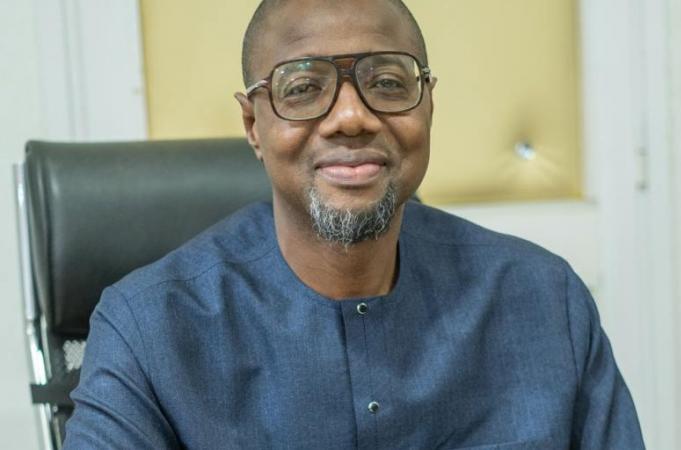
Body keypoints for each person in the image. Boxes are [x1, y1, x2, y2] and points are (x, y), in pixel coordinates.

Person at [64, 0, 645, 448]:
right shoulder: (148, 330)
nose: (350, 116)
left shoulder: (543, 300)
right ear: (253, 125)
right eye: (302, 88)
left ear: (428, 105)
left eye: (388, 83)